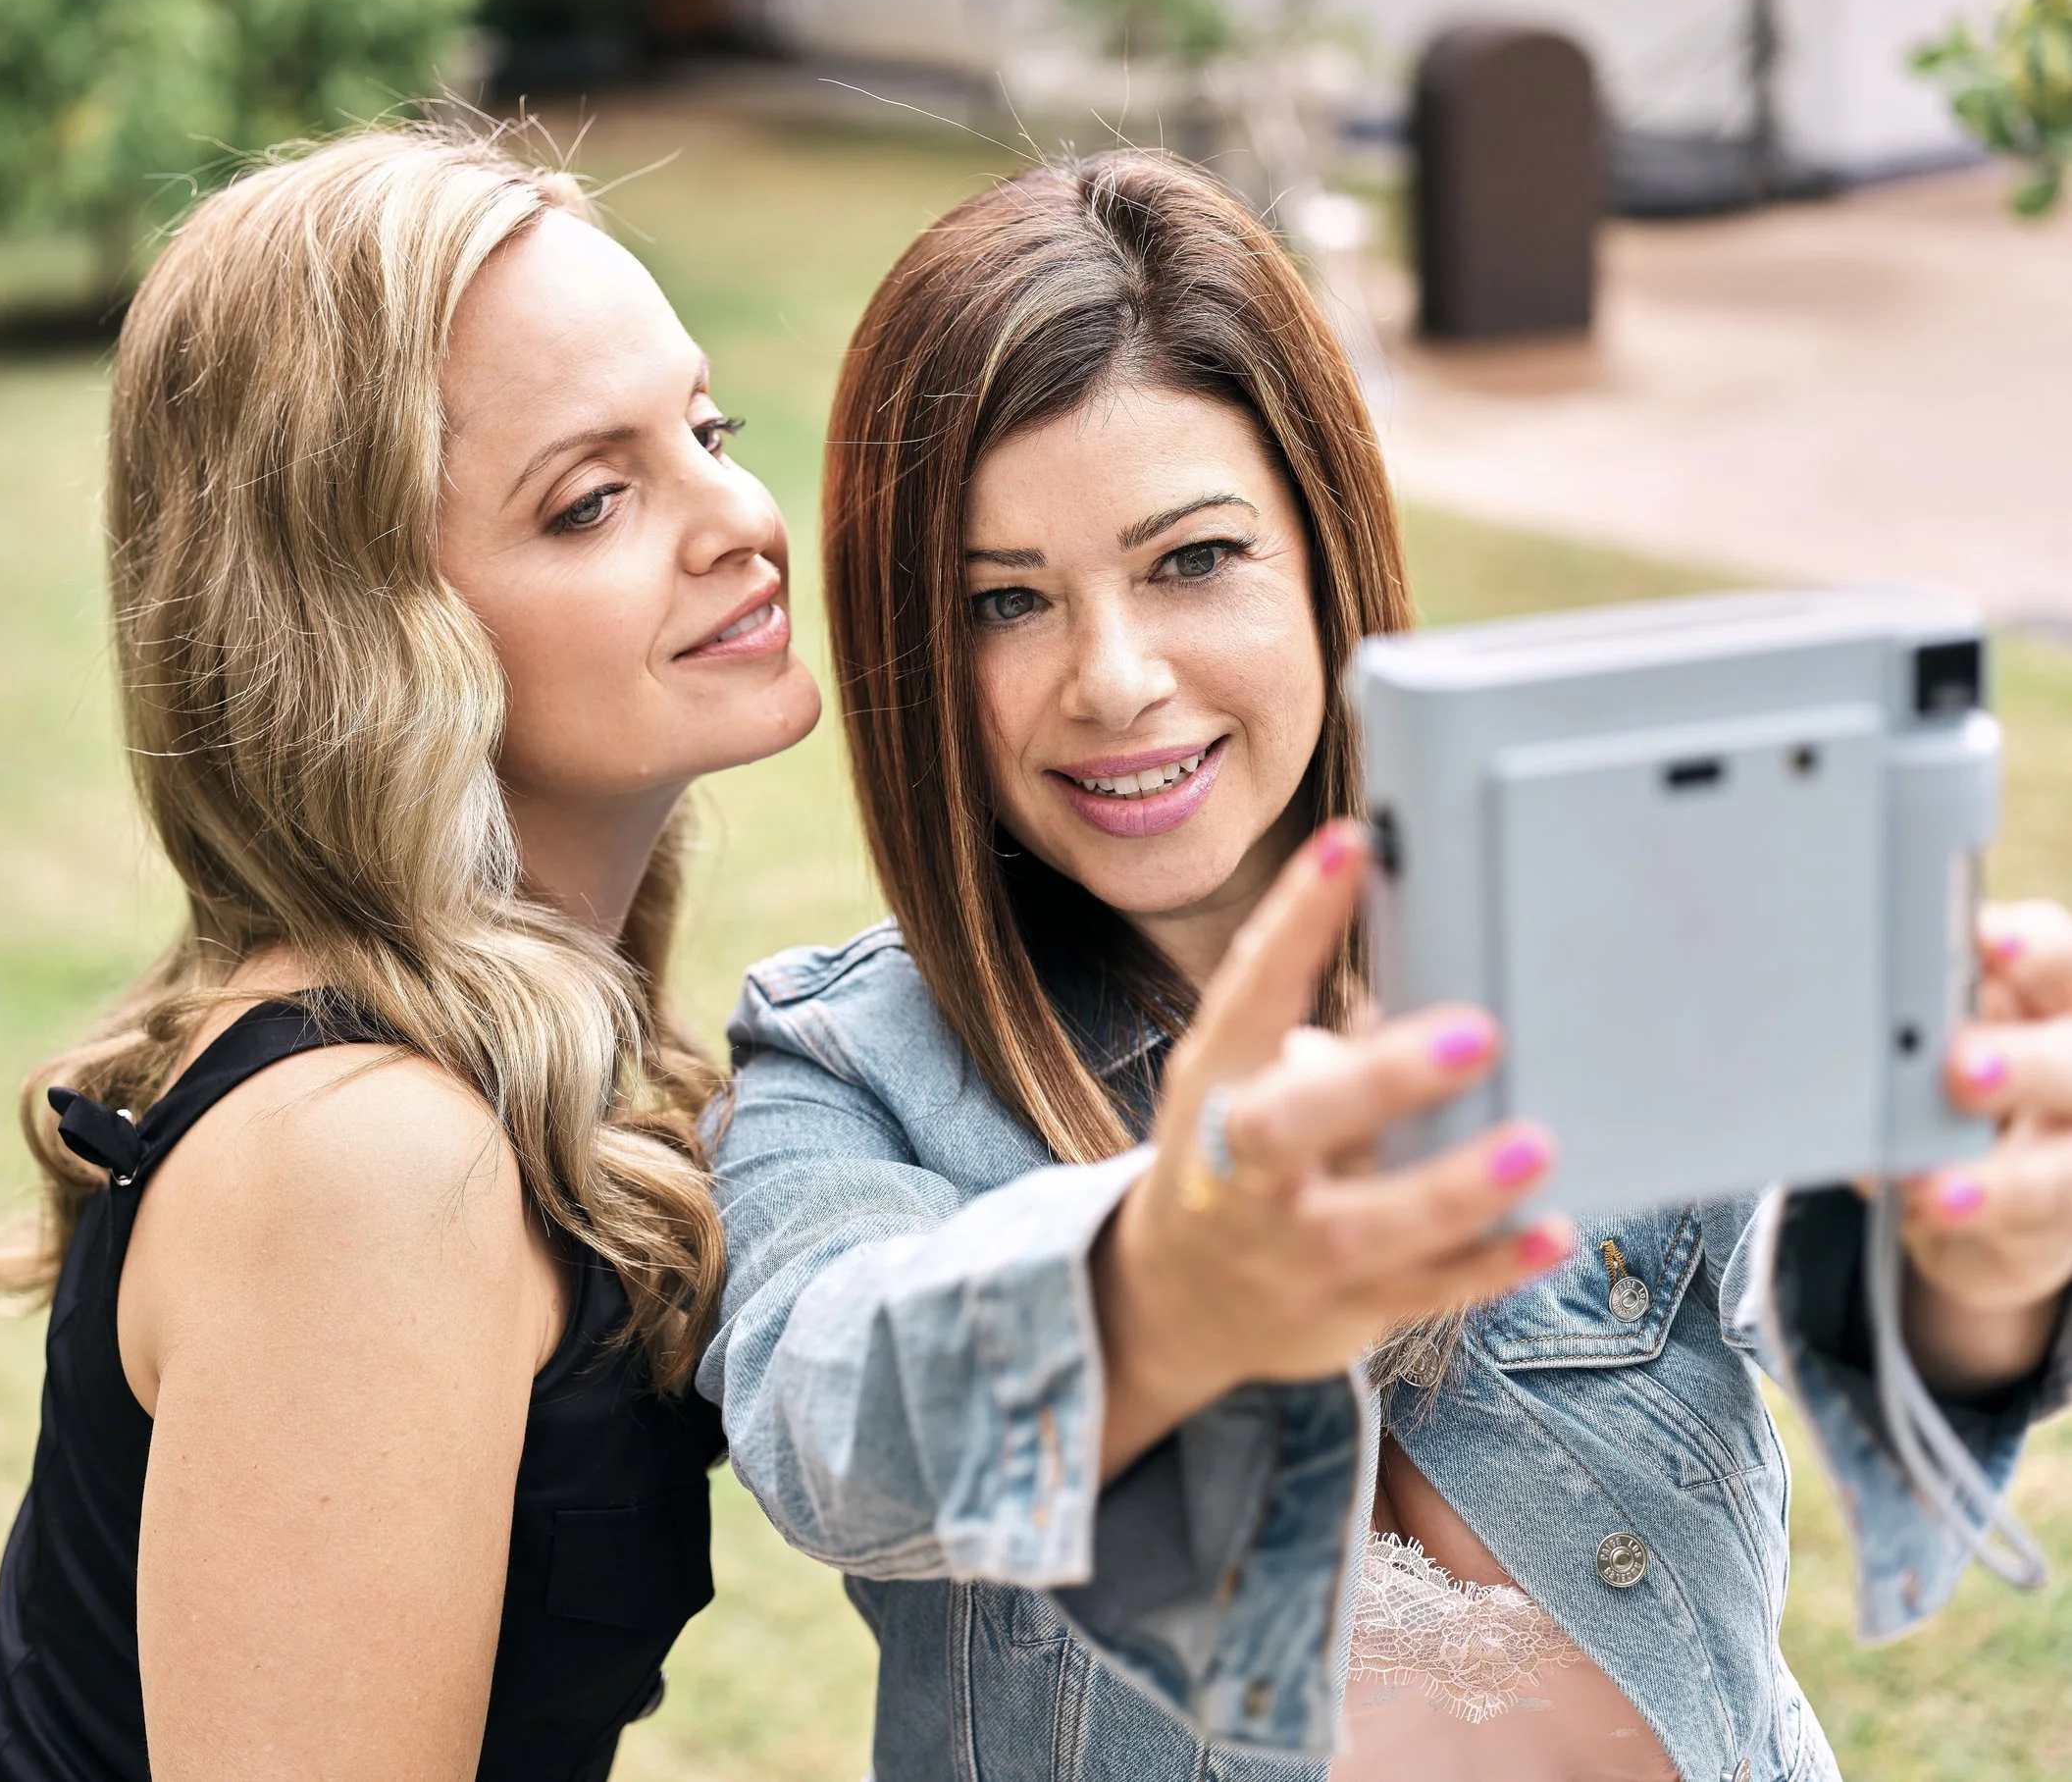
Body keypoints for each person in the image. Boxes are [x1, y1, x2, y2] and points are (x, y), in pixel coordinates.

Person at [703, 149, 2072, 1782]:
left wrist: (1982, 1268)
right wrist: (1158, 1290)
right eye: (1007, 602)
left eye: (1193, 559)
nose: (1116, 678)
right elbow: (830, 1426)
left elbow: (1852, 1280)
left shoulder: (1618, 940)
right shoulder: (847, 1067)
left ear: (1325, 548)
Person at [0, 124, 821, 1782]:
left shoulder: (477, 1066)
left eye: (707, 429)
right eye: (591, 502)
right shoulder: (371, 1160)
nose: (738, 517)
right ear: (360, 637)